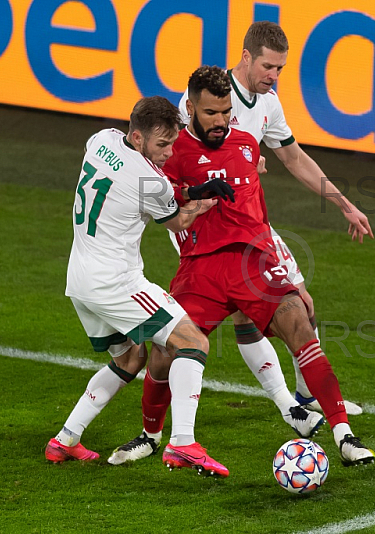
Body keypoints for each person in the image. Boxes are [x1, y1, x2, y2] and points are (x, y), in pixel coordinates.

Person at [118, 66, 375, 469]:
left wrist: (287, 270)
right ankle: (151, 437)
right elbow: (157, 201)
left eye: (225, 112)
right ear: (189, 109)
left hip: (255, 262)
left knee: (300, 323)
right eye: (210, 113)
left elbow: (265, 204)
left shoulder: (245, 145)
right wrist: (193, 193)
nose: (220, 121)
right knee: (164, 351)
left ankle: (343, 435)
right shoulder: (170, 153)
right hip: (200, 267)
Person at [177, 21, 372, 416]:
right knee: (247, 313)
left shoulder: (268, 103)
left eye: (281, 69)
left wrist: (344, 204)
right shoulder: (208, 96)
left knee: (303, 304)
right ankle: (287, 403)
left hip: (248, 222)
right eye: (268, 67)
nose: (274, 76)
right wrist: (230, 163)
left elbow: (294, 158)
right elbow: (177, 156)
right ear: (246, 56)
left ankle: (304, 396)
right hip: (204, 224)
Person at [44, 96, 235, 477]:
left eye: (172, 143)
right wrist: (202, 202)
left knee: (130, 360)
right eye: (162, 144)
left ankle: (64, 439)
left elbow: (139, 187)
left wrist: (191, 193)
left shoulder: (101, 140)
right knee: (193, 342)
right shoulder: (154, 181)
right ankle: (183, 443)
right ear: (136, 136)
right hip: (116, 282)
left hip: (79, 279)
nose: (169, 152)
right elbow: (176, 221)